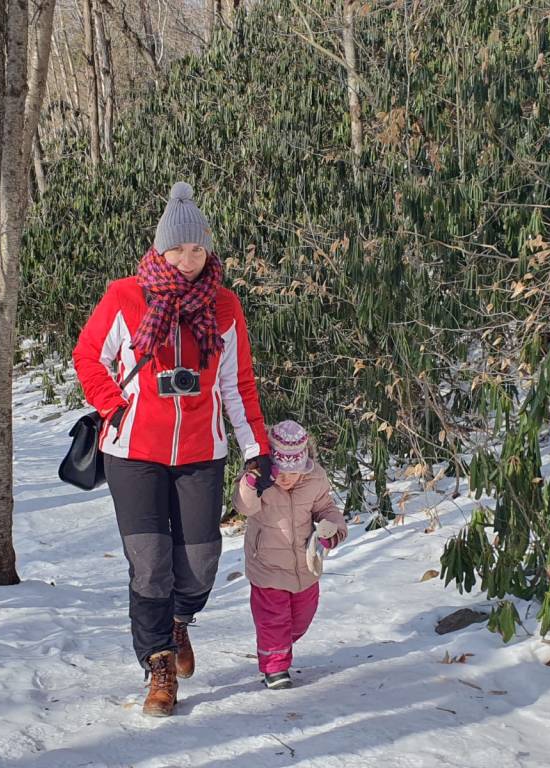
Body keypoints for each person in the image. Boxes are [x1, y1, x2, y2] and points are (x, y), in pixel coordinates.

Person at [72, 181, 275, 716]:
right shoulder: (126, 296)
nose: (189, 259)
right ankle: (158, 662)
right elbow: (88, 357)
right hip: (133, 453)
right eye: (179, 249)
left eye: (198, 248)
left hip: (201, 454)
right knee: (150, 564)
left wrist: (256, 449)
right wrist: (114, 406)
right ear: (160, 249)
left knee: (201, 563)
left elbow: (237, 385)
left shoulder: (225, 306)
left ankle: (179, 621)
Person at [233, 419, 348, 689]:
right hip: (267, 567)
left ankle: (279, 645)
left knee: (301, 618)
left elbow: (326, 509)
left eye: (293, 472)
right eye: (280, 471)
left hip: (305, 566)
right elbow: (244, 506)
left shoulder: (315, 479)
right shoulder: (260, 481)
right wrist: (251, 482)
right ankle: (275, 668)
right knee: (273, 620)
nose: (286, 478)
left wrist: (333, 531)